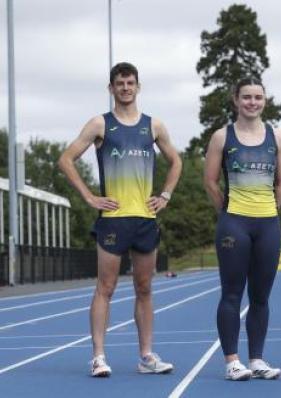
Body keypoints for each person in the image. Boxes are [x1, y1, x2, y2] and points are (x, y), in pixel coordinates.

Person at [58, 62, 182, 377]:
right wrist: (88, 196)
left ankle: (146, 357)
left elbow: (176, 161)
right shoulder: (100, 124)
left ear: (138, 87)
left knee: (144, 288)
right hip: (112, 219)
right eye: (120, 83)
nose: (125, 88)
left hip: (144, 219)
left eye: (130, 83)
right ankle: (98, 357)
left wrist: (165, 195)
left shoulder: (154, 126)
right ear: (111, 88)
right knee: (106, 287)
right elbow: (66, 159)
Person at [204, 77, 281, 381]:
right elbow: (211, 181)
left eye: (257, 97)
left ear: (265, 100)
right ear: (236, 100)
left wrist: (271, 211)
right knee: (231, 293)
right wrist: (226, 212)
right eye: (246, 97)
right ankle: (232, 361)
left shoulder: (277, 136)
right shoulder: (221, 137)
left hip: (268, 223)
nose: (252, 102)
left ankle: (257, 359)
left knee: (261, 296)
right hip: (234, 222)